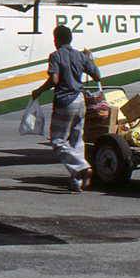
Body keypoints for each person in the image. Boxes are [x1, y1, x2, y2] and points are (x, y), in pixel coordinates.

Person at [32, 25, 101, 191]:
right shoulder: (80, 56)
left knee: (57, 141)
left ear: (57, 40)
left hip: (65, 101)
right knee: (77, 140)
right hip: (80, 100)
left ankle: (82, 168)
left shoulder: (56, 56)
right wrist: (88, 59)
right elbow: (97, 75)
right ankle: (76, 182)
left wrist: (39, 91)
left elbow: (54, 80)